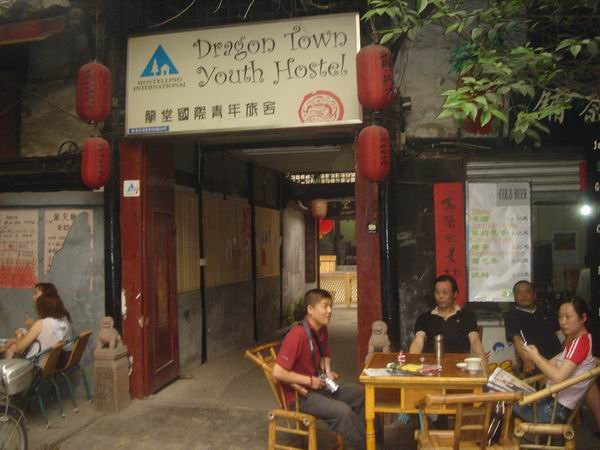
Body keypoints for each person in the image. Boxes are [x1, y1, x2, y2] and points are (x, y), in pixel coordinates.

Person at [272, 289, 365, 450]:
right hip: (299, 396)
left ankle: (370, 442)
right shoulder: (297, 335)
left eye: (331, 306)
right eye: (325, 306)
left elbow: (325, 354)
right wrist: (309, 380)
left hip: (319, 386)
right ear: (310, 309)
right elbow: (277, 372)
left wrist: (327, 370)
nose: (330, 311)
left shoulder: (321, 329)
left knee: (362, 394)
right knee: (343, 412)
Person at [514, 297, 597, 424]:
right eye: (560, 317)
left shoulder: (581, 343)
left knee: (504, 403)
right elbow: (550, 364)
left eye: (568, 317)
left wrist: (535, 357)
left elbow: (558, 377)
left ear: (583, 318)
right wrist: (534, 354)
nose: (563, 322)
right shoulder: (577, 341)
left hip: (554, 409)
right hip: (551, 403)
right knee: (507, 398)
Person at [409, 275, 486, 360]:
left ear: (455, 294)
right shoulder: (424, 318)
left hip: (460, 363)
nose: (441, 296)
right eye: (437, 292)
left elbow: (474, 340)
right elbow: (418, 342)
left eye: (445, 292)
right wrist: (411, 361)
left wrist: (482, 359)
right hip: (431, 364)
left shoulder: (467, 316)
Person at [504, 280, 562, 375]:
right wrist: (526, 359)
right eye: (519, 293)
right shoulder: (512, 315)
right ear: (515, 297)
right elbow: (516, 339)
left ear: (534, 295)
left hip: (558, 357)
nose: (524, 295)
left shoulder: (545, 311)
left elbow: (563, 328)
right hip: (535, 361)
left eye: (527, 292)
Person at [5, 293, 73, 366]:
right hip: (53, 362)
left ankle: (5, 371)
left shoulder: (41, 324)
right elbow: (43, 337)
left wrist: (18, 334)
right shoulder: (63, 322)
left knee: (12, 348)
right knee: (14, 346)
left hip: (37, 364)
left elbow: (19, 348)